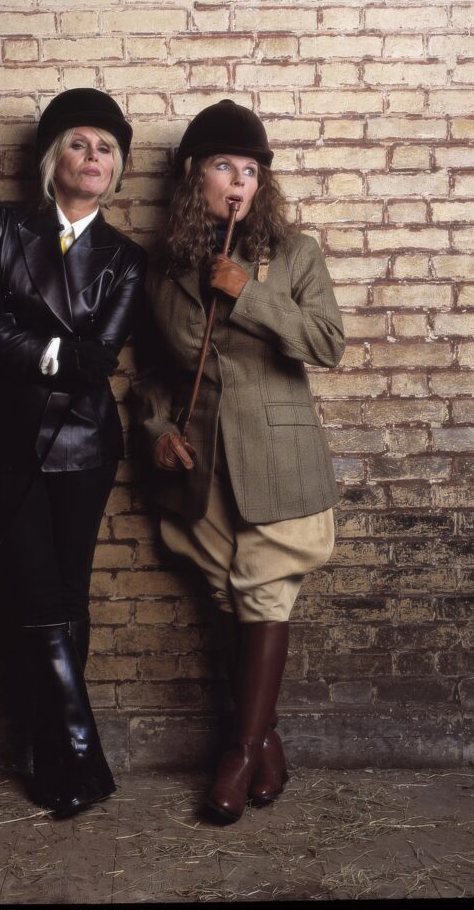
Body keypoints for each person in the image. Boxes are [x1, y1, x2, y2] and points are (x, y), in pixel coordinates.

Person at [132, 99, 344, 823]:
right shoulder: (163, 269)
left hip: (277, 461)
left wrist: (249, 295)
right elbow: (151, 373)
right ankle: (268, 745)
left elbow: (327, 343)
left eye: (250, 171)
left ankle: (240, 754)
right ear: (195, 176)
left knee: (266, 596)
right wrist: (157, 426)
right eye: (224, 167)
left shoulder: (295, 253)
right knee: (229, 601)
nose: (238, 182)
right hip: (204, 469)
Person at [0, 89, 145, 818]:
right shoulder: (5, 226)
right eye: (79, 143)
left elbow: (98, 362)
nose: (93, 158)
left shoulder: (126, 258)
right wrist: (52, 352)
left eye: (106, 149)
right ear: (52, 158)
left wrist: (26, 342)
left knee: (66, 594)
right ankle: (80, 750)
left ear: (116, 170)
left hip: (84, 443)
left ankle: (52, 761)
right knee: (37, 595)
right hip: (5, 437)